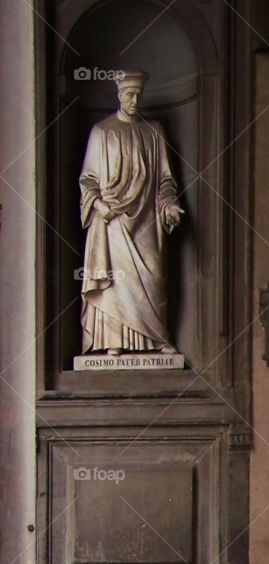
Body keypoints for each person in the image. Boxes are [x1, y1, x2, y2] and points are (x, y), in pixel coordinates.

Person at [79, 69, 184, 355]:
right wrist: (100, 206)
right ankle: (113, 341)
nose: (134, 100)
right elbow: (88, 178)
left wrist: (169, 203)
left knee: (153, 277)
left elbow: (165, 179)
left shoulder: (154, 131)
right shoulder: (102, 131)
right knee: (114, 282)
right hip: (111, 221)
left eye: (138, 94)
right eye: (129, 94)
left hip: (147, 220)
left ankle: (157, 338)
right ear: (119, 95)